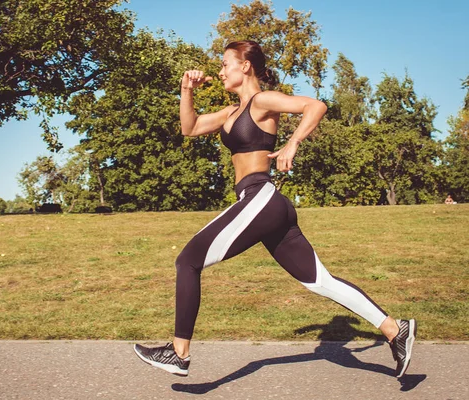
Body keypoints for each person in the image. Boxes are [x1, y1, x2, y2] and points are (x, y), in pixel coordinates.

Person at [133, 41, 416, 379]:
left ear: (246, 66)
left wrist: (292, 142)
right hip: (262, 205)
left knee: (188, 260)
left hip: (260, 197)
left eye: (226, 64)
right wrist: (186, 89)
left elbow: (316, 106)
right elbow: (189, 127)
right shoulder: (230, 112)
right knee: (320, 281)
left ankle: (179, 353)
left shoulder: (262, 101)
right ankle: (394, 330)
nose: (221, 70)